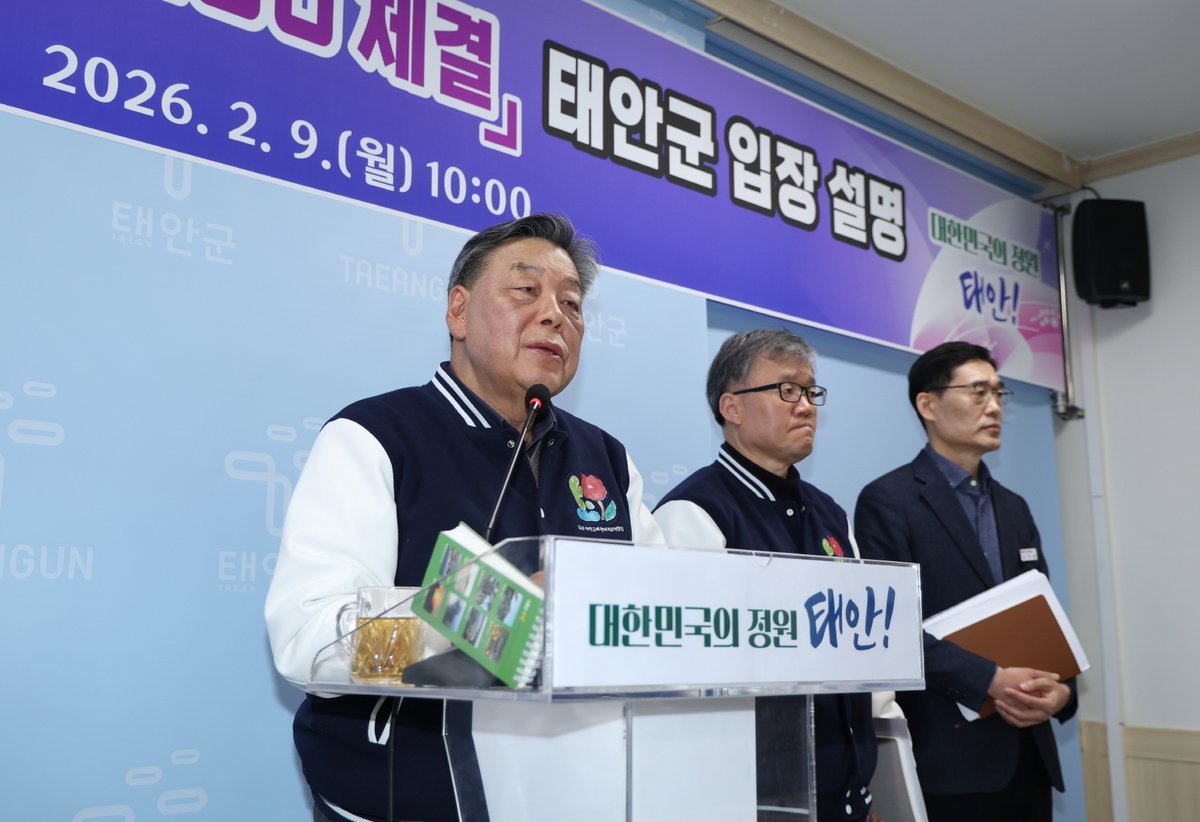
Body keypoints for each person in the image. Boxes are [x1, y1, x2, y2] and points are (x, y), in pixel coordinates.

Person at [265, 214, 664, 822]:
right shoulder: (375, 436)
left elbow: (663, 614)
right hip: (408, 797)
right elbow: (309, 640)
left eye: (572, 304)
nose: (555, 316)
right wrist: (490, 619)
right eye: (526, 290)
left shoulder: (607, 458)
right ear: (458, 311)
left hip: (575, 796)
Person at [654, 329, 880, 822]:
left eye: (811, 392)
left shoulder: (830, 514)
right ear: (731, 407)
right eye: (787, 390)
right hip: (753, 800)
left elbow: (864, 651)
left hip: (846, 796)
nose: (806, 406)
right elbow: (693, 673)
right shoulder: (695, 511)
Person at [853, 341, 1077, 822]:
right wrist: (988, 679)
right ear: (928, 404)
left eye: (998, 393)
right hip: (950, 761)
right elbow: (889, 630)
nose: (994, 406)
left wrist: (1062, 693)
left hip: (1029, 758)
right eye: (977, 392)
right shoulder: (888, 501)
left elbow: (1043, 620)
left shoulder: (1014, 507)